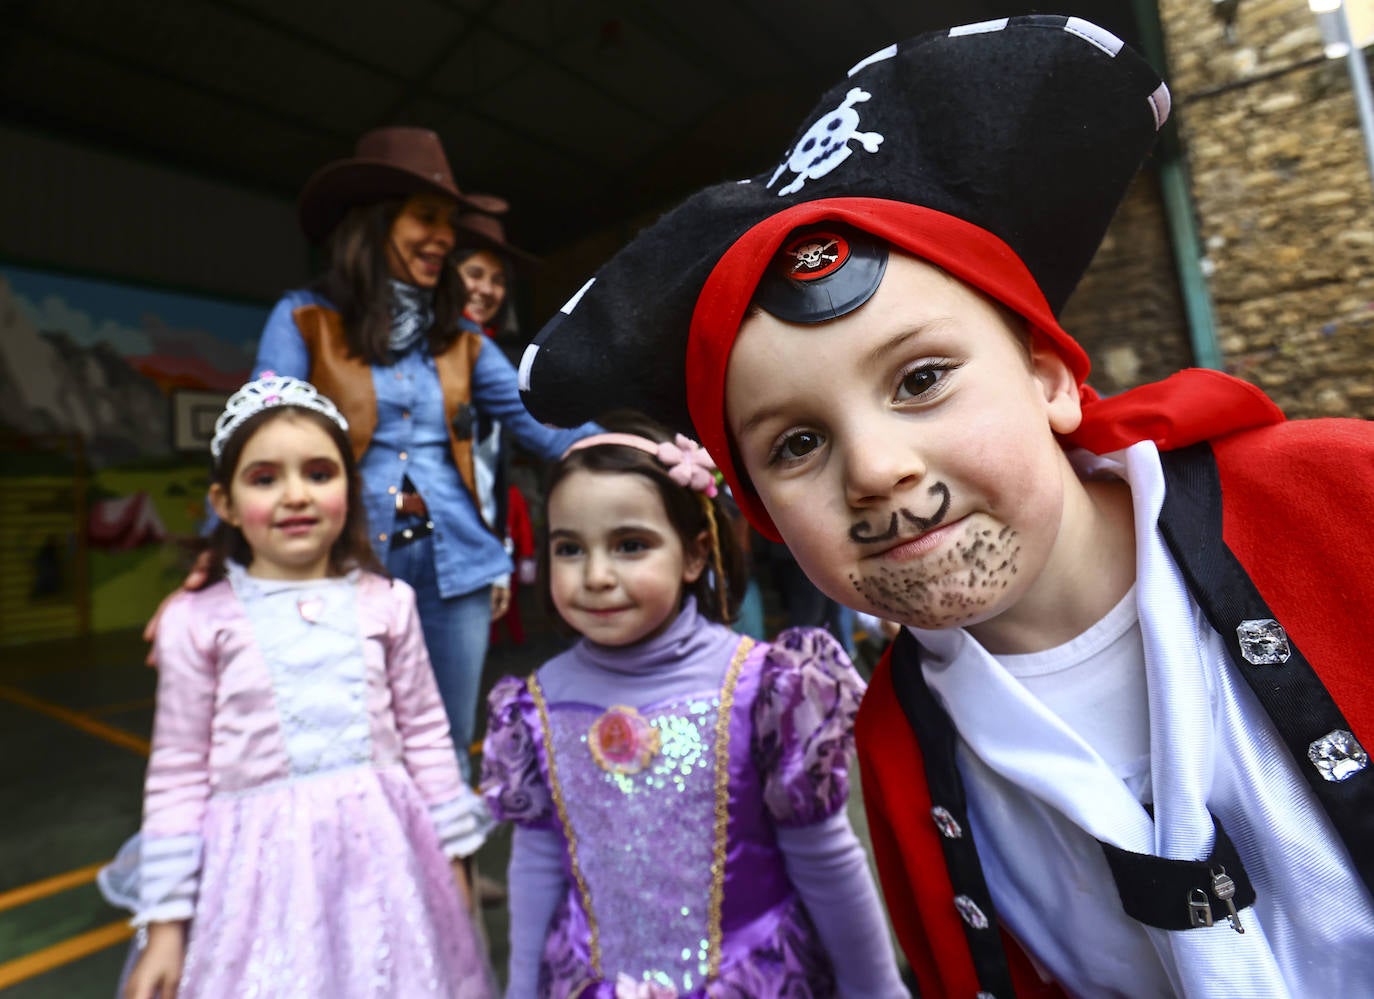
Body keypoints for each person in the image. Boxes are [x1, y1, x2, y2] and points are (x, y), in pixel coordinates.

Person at [509, 14, 1374, 998]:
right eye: (795, 445)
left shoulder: (1344, 498)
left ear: (1049, 374)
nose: (873, 469)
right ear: (764, 515)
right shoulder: (893, 750)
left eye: (921, 378)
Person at [479, 413, 908, 998]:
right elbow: (536, 863)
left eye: (631, 545)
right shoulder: (535, 704)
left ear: (694, 554)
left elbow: (826, 861)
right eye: (569, 548)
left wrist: (879, 992)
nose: (597, 575)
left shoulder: (765, 691)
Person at [99, 374, 493, 999]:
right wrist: (167, 926)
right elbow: (176, 770)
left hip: (386, 872)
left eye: (318, 472)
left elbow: (425, 733)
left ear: (349, 488)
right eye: (263, 478)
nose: (295, 496)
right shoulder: (196, 620)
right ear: (224, 503)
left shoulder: (388, 603)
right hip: (255, 888)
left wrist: (454, 864)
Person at [253, 127, 596, 782]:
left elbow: (544, 425)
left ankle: (451, 882)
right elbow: (260, 447)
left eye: (450, 222)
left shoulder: (462, 339)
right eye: (428, 218)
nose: (445, 235)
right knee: (355, 749)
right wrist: (217, 564)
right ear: (376, 220)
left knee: (443, 746)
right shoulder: (303, 319)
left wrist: (646, 448)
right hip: (347, 568)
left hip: (458, 570)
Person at [452, 203, 538, 634]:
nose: (487, 290)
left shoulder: (497, 361)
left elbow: (488, 475)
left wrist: (498, 560)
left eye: (498, 279)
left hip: (474, 547)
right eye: (474, 274)